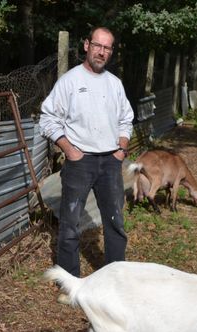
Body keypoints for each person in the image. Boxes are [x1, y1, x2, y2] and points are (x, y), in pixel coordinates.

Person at [40, 26, 134, 284]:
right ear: (86, 45)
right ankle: (70, 282)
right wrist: (69, 150)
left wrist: (121, 148)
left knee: (115, 222)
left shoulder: (115, 84)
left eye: (107, 47)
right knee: (70, 224)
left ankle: (114, 280)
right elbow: (48, 119)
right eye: (97, 45)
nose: (101, 52)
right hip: (80, 162)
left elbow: (126, 119)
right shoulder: (70, 81)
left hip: (110, 162)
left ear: (111, 52)